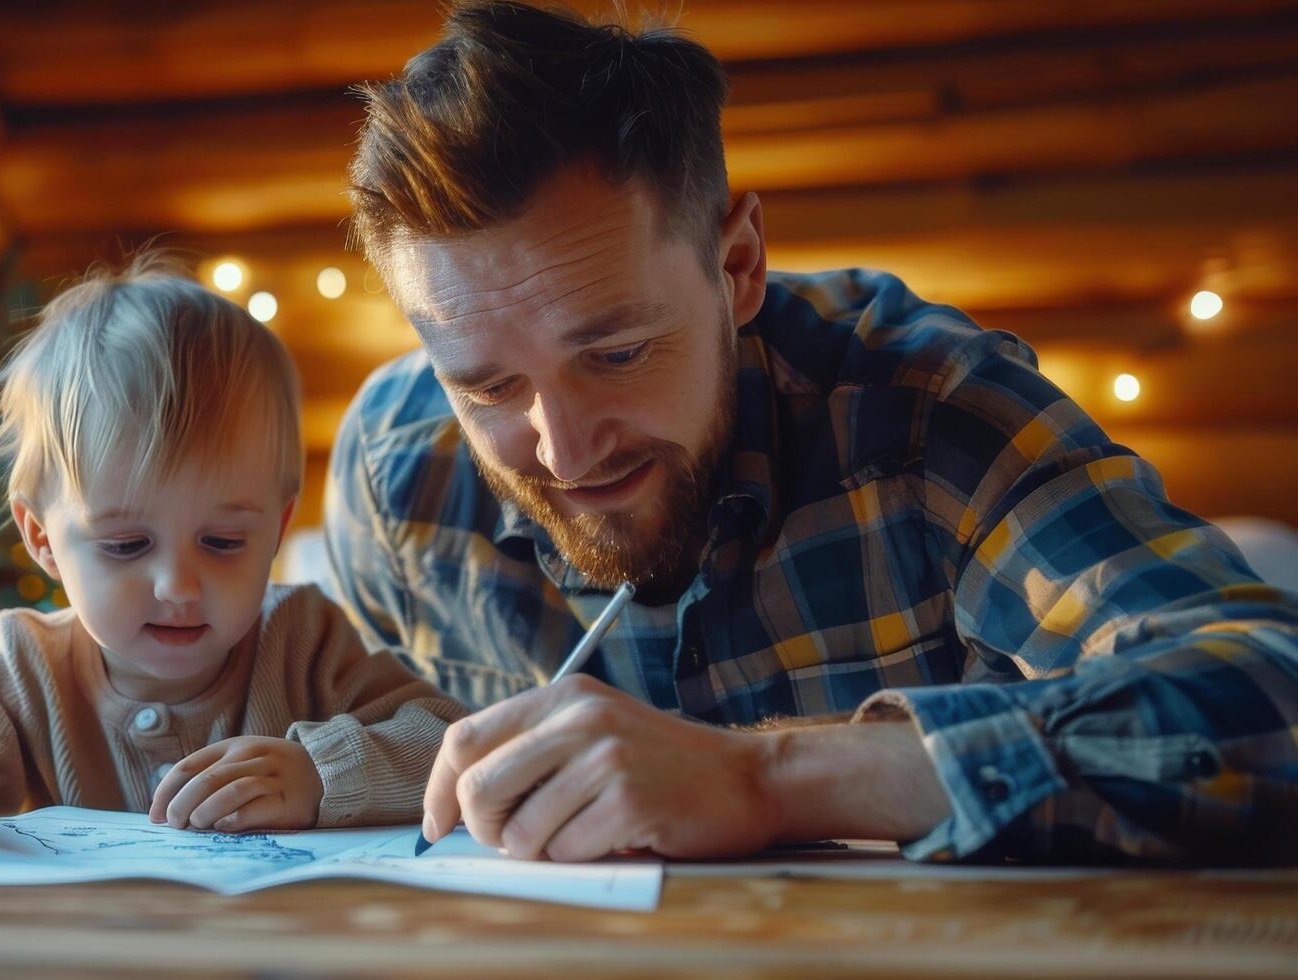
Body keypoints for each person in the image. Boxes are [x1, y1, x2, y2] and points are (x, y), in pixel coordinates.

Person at [327, 1, 1298, 864]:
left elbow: (1268, 694)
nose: (566, 452)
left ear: (739, 264)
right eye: (489, 385)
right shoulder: (394, 466)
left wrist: (768, 776)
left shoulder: (931, 410)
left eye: (618, 353)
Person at [0, 253, 465, 834]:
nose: (177, 585)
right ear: (41, 538)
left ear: (277, 530)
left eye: (224, 540)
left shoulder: (306, 642)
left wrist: (321, 774)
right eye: (124, 545)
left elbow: (449, 741)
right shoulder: (19, 674)